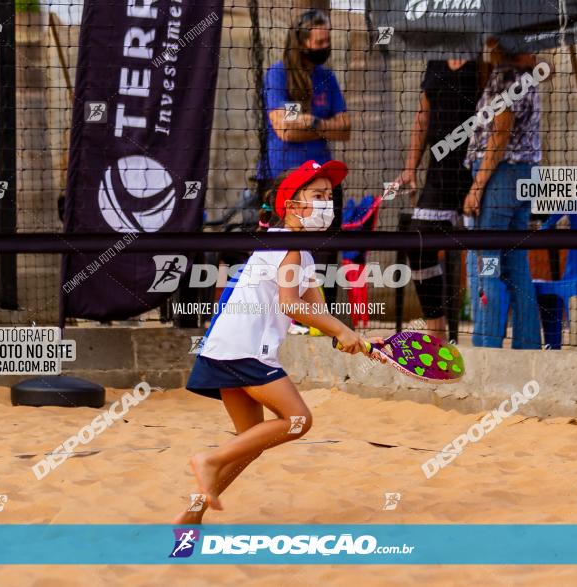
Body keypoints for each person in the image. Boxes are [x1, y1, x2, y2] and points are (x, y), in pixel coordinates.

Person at [177, 160, 385, 524]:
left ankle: (191, 514)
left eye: (329, 196)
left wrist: (358, 340)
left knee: (249, 444)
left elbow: (318, 312)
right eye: (317, 195)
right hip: (246, 351)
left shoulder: (291, 246)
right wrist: (340, 331)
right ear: (292, 206)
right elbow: (290, 303)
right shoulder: (291, 247)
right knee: (297, 421)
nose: (327, 203)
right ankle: (207, 460)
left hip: (223, 348)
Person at [258, 9, 350, 308]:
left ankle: (325, 315)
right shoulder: (278, 74)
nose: (325, 46)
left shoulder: (326, 77)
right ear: (302, 42)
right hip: (285, 177)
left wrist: (311, 123)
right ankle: (286, 311)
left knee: (326, 248)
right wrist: (323, 126)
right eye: (319, 41)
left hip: (321, 177)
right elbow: (283, 129)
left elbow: (345, 128)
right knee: (284, 248)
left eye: (327, 40)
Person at [462, 39, 543, 349]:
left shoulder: (507, 79)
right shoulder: (527, 76)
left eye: (492, 41)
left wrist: (477, 187)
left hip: (500, 177)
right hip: (523, 177)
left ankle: (487, 347)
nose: (486, 45)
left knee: (489, 264)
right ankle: (528, 347)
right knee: (516, 265)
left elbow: (499, 136)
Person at [394, 59, 482, 342]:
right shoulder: (436, 64)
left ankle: (488, 338)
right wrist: (410, 167)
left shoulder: (484, 62)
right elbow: (423, 115)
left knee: (489, 254)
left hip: (478, 170)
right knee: (419, 243)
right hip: (440, 174)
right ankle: (437, 335)